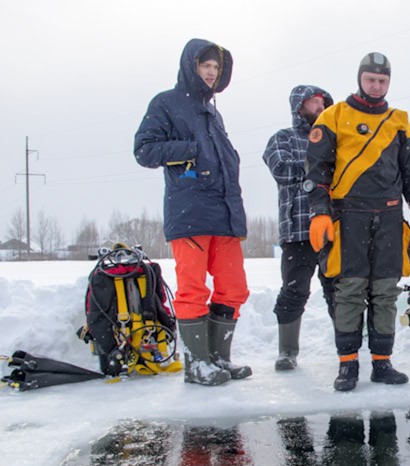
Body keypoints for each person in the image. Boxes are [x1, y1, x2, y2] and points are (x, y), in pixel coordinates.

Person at [305, 52, 410, 392]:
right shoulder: (333, 117)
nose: (376, 85)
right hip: (348, 217)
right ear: (360, 78)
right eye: (371, 79)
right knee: (349, 290)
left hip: (391, 217)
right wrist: (319, 213)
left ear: (388, 82)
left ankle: (382, 363)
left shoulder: (399, 120)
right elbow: (316, 173)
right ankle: (347, 365)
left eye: (383, 80)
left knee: (385, 292)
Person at [134, 39, 251, 386]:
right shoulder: (166, 103)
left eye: (216, 68)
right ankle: (197, 364)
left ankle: (218, 359)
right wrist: (189, 150)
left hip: (225, 215)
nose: (212, 73)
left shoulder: (213, 111)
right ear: (191, 67)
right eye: (206, 66)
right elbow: (144, 150)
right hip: (190, 212)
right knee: (193, 289)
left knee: (233, 288)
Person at [264, 85, 336, 371]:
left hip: (332, 228)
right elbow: (281, 169)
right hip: (297, 230)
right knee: (294, 291)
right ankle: (287, 351)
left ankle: (349, 348)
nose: (320, 107)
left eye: (323, 102)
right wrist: (318, 167)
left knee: (339, 290)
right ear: (299, 106)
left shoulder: (335, 138)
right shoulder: (282, 138)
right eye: (314, 102)